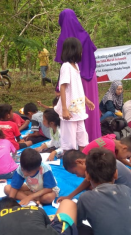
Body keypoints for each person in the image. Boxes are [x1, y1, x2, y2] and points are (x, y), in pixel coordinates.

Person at [56, 9, 101, 142]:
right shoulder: (85, 35)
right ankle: (92, 140)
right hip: (89, 76)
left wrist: (58, 87)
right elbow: (92, 55)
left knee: (74, 110)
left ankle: (75, 143)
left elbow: (62, 63)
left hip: (73, 78)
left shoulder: (63, 39)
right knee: (89, 110)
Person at [54, 37, 95, 152]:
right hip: (70, 111)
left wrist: (86, 100)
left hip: (78, 109)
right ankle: (70, 164)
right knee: (69, 142)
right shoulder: (66, 66)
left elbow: (77, 87)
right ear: (73, 50)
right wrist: (64, 109)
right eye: (80, 50)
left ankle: (83, 160)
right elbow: (63, 87)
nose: (81, 52)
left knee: (82, 138)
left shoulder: (75, 66)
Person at [59, 149, 131, 203]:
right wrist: (70, 196)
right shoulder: (96, 161)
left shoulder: (101, 165)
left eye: (75, 172)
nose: (77, 176)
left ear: (80, 162)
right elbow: (87, 180)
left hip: (129, 198)